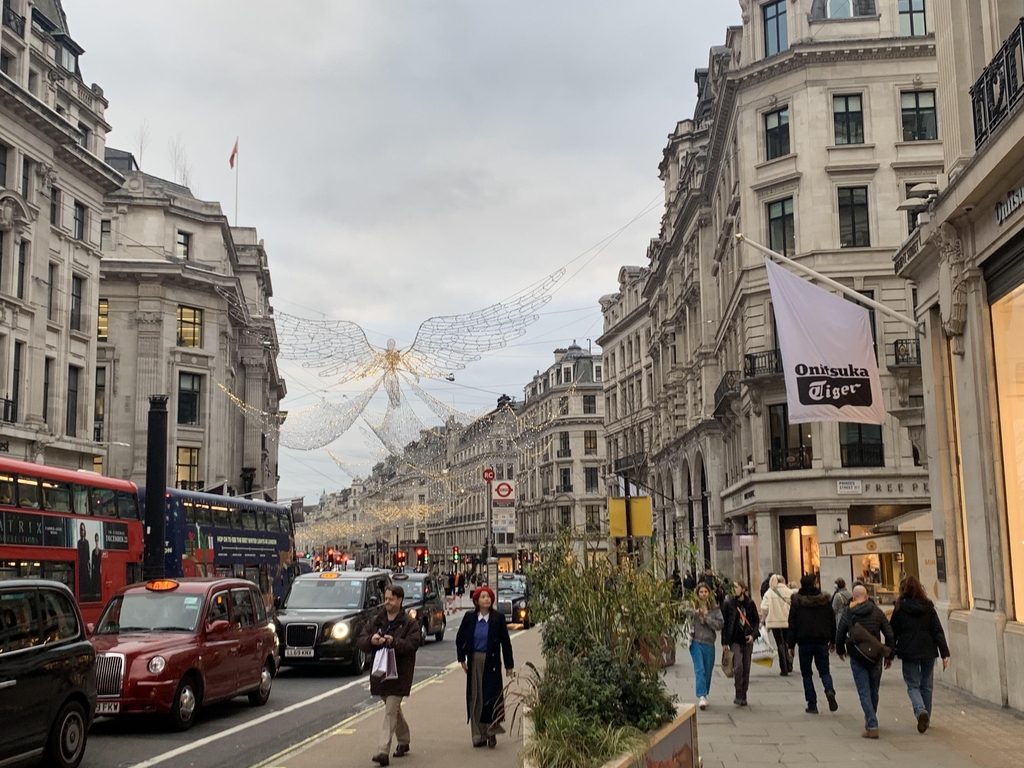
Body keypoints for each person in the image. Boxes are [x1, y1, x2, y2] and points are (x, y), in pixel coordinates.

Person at [357, 584, 420, 766]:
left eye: (390, 599)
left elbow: (412, 645)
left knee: (390, 710)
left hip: (400, 673)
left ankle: (383, 750)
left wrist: (394, 642)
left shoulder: (409, 623)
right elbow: (361, 640)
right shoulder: (376, 621)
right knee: (394, 710)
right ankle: (404, 740)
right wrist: (371, 640)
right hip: (381, 673)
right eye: (385, 598)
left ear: (399, 600)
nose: (387, 602)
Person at [889, 576, 950, 734]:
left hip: (908, 650)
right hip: (928, 649)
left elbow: (892, 633)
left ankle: (920, 710)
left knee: (912, 685)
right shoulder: (928, 606)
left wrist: (889, 654)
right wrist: (944, 652)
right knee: (927, 685)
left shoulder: (899, 608)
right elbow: (937, 630)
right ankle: (926, 718)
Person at [456, 586, 514, 748]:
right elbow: (460, 638)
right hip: (475, 660)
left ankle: (491, 731)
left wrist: (509, 665)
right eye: (482, 597)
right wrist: (462, 659)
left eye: (488, 597)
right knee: (475, 698)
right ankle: (478, 735)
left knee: (490, 698)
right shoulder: (469, 618)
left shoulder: (498, 618)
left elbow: (505, 643)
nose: (486, 599)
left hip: (492, 662)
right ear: (476, 600)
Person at [836, 585, 895, 739]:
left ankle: (871, 723)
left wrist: (840, 650)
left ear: (854, 597)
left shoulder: (849, 612)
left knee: (863, 691)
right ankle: (871, 720)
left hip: (857, 655)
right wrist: (889, 654)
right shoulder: (877, 611)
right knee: (874, 689)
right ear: (867, 596)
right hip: (875, 656)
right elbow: (889, 633)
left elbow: (840, 631)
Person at [786, 574, 838, 714]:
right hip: (821, 641)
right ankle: (829, 690)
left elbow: (792, 624)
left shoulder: (797, 601)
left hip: (804, 642)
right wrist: (833, 641)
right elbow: (832, 621)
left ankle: (812, 703)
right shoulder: (824, 600)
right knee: (824, 671)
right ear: (814, 584)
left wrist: (790, 645)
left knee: (807, 674)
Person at [685, 582, 724, 710]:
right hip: (695, 641)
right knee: (700, 669)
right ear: (697, 593)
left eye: (705, 592)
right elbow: (683, 610)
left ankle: (705, 693)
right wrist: (696, 612)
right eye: (701, 592)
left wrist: (706, 619)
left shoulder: (714, 608)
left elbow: (720, 624)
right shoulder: (693, 605)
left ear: (709, 593)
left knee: (707, 670)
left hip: (709, 642)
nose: (703, 594)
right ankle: (701, 695)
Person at [721, 580, 760, 706]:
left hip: (747, 639)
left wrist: (753, 635)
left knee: (746, 667)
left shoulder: (750, 603)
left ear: (743, 589)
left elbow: (755, 622)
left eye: (736, 587)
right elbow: (725, 624)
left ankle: (744, 693)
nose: (734, 590)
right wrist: (724, 642)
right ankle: (738, 691)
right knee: (738, 666)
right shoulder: (728, 603)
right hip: (734, 640)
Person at [759, 574, 794, 675]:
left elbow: (764, 608)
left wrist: (762, 621)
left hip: (775, 622)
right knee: (788, 642)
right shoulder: (789, 592)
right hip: (787, 622)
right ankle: (789, 664)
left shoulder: (769, 593)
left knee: (780, 643)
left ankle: (783, 668)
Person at [76, 523, 91, 600]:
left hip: (86, 566)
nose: (82, 531)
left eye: (83, 529)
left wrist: (89, 568)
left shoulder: (87, 542)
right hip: (81, 566)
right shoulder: (79, 542)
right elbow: (78, 556)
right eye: (81, 529)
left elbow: (88, 557)